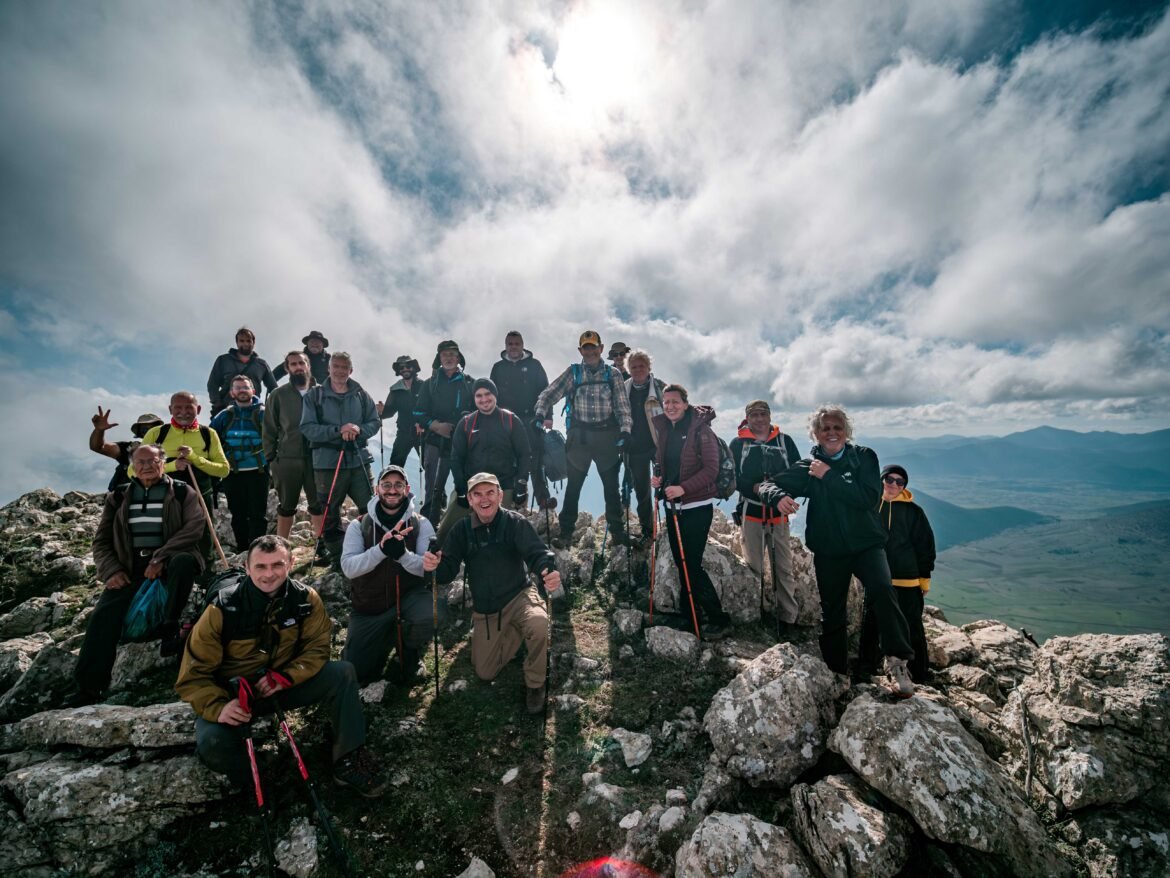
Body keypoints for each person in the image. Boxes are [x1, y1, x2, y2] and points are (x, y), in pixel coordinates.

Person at [176, 535, 387, 797]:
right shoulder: (221, 609)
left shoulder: (305, 599)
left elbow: (317, 649)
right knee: (213, 743)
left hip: (282, 685)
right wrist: (219, 707)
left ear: (291, 563)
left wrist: (286, 676)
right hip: (234, 697)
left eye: (277, 565)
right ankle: (257, 779)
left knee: (342, 673)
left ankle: (349, 758)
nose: (269, 574)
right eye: (260, 566)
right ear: (246, 567)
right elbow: (193, 675)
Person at [758, 404, 916, 696]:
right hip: (829, 548)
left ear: (846, 431)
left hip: (867, 544)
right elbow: (767, 485)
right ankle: (837, 672)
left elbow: (867, 498)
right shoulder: (808, 468)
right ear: (816, 434)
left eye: (837, 427)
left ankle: (897, 662)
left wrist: (828, 475)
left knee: (883, 590)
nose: (831, 432)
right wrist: (777, 497)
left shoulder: (864, 458)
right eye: (825, 428)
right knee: (833, 611)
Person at [65, 443, 205, 706]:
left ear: (163, 463)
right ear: (132, 466)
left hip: (170, 561)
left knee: (184, 562)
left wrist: (160, 557)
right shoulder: (119, 496)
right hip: (130, 567)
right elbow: (101, 541)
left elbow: (194, 529)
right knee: (103, 617)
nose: (147, 466)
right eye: (140, 462)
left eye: (153, 461)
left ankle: (170, 627)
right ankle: (89, 688)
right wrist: (111, 571)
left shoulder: (182, 492)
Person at [423, 473, 562, 714]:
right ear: (470, 499)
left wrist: (547, 570)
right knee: (485, 672)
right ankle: (516, 631)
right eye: (477, 494)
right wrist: (433, 567)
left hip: (519, 596)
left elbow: (537, 553)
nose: (484, 499)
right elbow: (446, 572)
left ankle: (535, 683)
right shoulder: (461, 530)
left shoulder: (515, 522)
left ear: (500, 495)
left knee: (539, 623)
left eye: (490, 493)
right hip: (487, 609)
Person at [340, 465, 444, 686]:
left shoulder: (420, 523)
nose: (392, 490)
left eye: (398, 485)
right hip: (369, 608)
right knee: (358, 671)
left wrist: (403, 555)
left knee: (432, 611)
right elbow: (349, 568)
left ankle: (408, 649)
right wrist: (381, 550)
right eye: (386, 485)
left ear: (407, 489)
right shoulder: (359, 525)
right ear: (377, 489)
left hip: (407, 600)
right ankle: (384, 638)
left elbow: (426, 568)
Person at [534, 331, 634, 548]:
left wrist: (625, 430)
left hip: (607, 437)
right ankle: (566, 533)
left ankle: (617, 533)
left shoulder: (613, 374)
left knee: (611, 487)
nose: (590, 352)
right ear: (580, 350)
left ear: (601, 348)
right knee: (574, 487)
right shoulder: (574, 373)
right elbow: (549, 393)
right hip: (579, 438)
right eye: (586, 348)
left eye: (593, 347)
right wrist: (540, 413)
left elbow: (622, 406)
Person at [650, 385, 733, 641]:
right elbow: (664, 462)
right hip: (673, 506)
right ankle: (690, 617)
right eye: (666, 402)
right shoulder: (666, 429)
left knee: (691, 565)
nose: (670, 406)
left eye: (675, 402)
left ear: (686, 404)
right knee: (681, 563)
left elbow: (711, 470)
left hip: (696, 507)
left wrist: (683, 488)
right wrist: (659, 479)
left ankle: (719, 620)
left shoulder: (702, 431)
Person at [729, 400, 803, 634]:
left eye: (763, 414)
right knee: (754, 567)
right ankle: (755, 613)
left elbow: (798, 473)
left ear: (770, 416)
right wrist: (754, 488)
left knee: (783, 568)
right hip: (751, 511)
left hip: (778, 514)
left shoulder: (785, 441)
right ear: (747, 418)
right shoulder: (738, 444)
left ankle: (787, 618)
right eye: (754, 415)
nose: (759, 419)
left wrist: (784, 495)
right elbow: (733, 477)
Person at [299, 352, 380, 565]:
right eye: (336, 366)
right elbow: (307, 428)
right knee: (329, 511)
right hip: (327, 462)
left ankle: (371, 551)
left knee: (370, 508)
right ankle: (337, 557)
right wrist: (338, 430)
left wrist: (358, 430)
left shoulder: (361, 394)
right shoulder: (314, 396)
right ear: (329, 369)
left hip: (358, 460)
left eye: (344, 367)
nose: (340, 371)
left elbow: (374, 422)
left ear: (350, 370)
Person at [859, 465, 936, 683]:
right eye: (889, 479)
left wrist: (924, 579)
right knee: (872, 624)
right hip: (877, 578)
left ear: (904, 486)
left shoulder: (914, 512)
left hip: (908, 580)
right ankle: (866, 670)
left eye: (899, 482)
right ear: (881, 480)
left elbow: (925, 547)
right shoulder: (870, 506)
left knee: (912, 627)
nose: (893, 484)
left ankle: (919, 674)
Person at [137, 392, 230, 564]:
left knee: (203, 538)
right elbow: (134, 470)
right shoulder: (156, 434)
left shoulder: (208, 434)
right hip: (164, 497)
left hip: (200, 497)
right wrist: (173, 466)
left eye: (189, 407)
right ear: (170, 409)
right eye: (178, 408)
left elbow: (223, 470)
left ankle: (204, 573)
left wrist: (194, 458)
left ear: (198, 409)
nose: (183, 412)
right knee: (166, 538)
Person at [440, 378, 530, 543]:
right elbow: (456, 458)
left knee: (504, 534)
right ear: (474, 398)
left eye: (488, 394)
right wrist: (461, 488)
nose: (484, 399)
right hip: (471, 487)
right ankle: (435, 556)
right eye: (479, 395)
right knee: (445, 532)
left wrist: (521, 485)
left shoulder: (511, 420)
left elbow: (524, 454)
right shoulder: (466, 423)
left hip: (503, 486)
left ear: (495, 395)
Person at [263, 351, 325, 540]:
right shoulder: (278, 395)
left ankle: (321, 545)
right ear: (287, 368)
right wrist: (272, 459)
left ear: (308, 366)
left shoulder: (322, 392)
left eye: (301, 363)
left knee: (318, 504)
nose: (298, 367)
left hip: (317, 458)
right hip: (287, 459)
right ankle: (282, 545)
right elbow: (269, 428)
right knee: (286, 506)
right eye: (293, 364)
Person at [490, 331, 554, 509]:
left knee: (536, 462)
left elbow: (546, 392)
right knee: (509, 462)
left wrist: (548, 416)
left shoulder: (534, 365)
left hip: (531, 420)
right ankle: (514, 503)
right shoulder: (498, 368)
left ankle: (544, 503)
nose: (514, 347)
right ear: (505, 346)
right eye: (510, 344)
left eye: (517, 344)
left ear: (522, 345)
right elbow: (492, 396)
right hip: (506, 422)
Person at [413, 340, 475, 523]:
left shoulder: (469, 383)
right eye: (444, 355)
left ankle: (464, 526)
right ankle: (428, 530)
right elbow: (418, 412)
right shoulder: (429, 384)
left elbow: (477, 410)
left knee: (466, 487)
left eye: (452, 354)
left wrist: (465, 423)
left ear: (458, 358)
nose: (448, 358)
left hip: (463, 443)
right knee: (433, 489)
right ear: (439, 359)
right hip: (435, 442)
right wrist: (436, 426)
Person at [210, 375, 269, 551]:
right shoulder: (224, 416)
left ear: (253, 390)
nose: (242, 390)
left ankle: (258, 550)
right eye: (238, 387)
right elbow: (211, 438)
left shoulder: (264, 413)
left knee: (258, 513)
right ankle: (243, 549)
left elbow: (276, 436)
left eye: (245, 387)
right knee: (237, 514)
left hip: (259, 470)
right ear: (232, 392)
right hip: (232, 472)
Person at [623, 349, 667, 543]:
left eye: (642, 366)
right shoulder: (623, 389)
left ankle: (672, 523)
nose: (638, 369)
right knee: (642, 491)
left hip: (659, 446)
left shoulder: (660, 387)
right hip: (635, 449)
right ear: (628, 369)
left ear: (649, 367)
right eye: (633, 367)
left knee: (667, 485)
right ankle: (648, 531)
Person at [207, 327, 277, 416]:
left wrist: (271, 407)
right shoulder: (223, 360)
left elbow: (273, 388)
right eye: (242, 341)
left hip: (253, 412)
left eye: (248, 341)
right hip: (226, 409)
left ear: (253, 342)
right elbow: (212, 384)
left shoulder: (261, 364)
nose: (245, 343)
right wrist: (218, 404)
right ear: (237, 342)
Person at [88, 408, 163, 490]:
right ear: (140, 433)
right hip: (125, 495)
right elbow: (98, 447)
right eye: (144, 429)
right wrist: (99, 430)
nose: (149, 432)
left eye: (153, 429)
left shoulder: (169, 450)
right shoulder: (130, 449)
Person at [377, 355, 424, 468]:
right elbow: (389, 412)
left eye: (408, 366)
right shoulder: (395, 390)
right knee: (395, 465)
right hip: (403, 432)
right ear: (398, 371)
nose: (405, 369)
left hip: (422, 432)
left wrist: (423, 423)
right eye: (401, 367)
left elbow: (430, 408)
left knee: (429, 465)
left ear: (413, 367)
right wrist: (381, 411)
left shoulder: (424, 386)